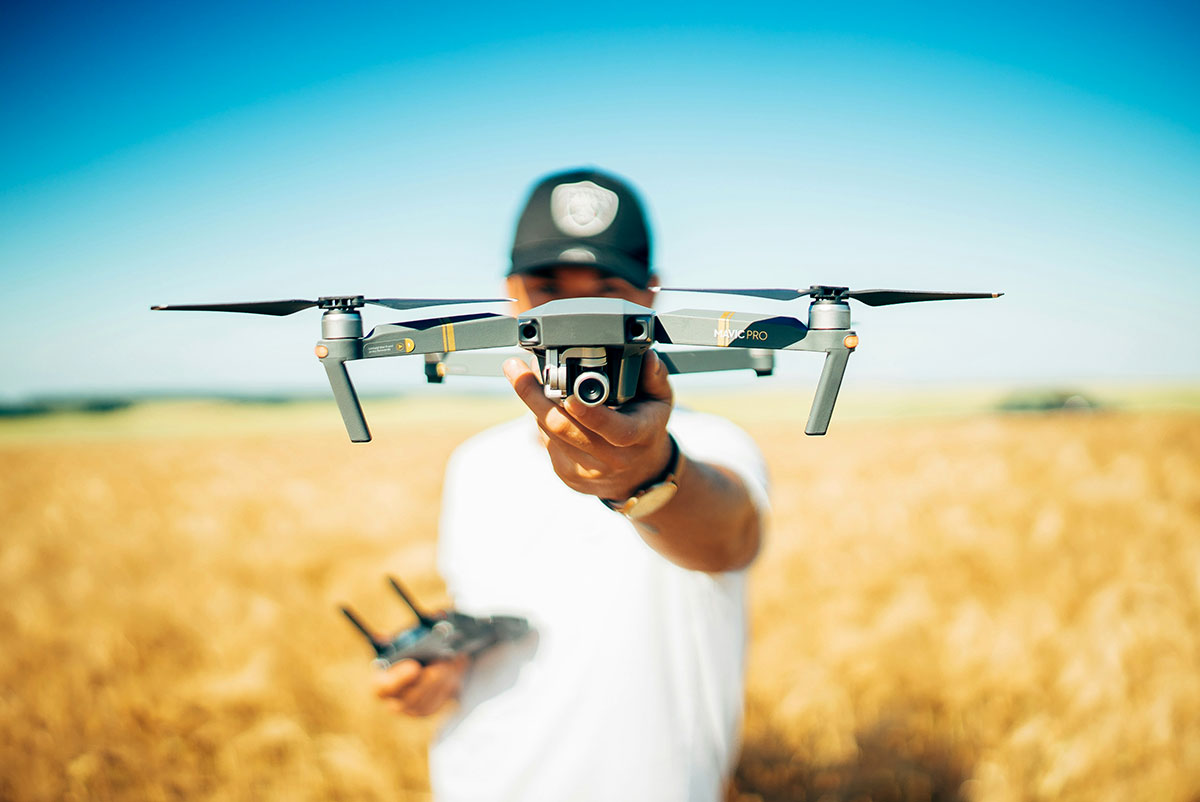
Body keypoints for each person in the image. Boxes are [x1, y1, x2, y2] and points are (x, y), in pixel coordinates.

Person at [373, 168, 769, 802]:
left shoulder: (717, 447)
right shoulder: (474, 464)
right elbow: (496, 602)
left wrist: (649, 473)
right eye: (549, 290)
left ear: (649, 295)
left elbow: (725, 538)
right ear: (512, 293)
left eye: (605, 292)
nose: (576, 317)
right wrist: (439, 662)